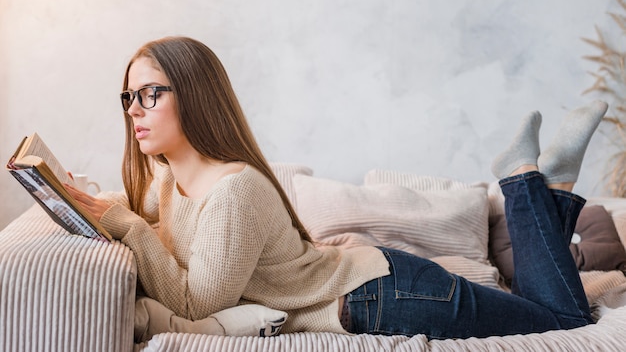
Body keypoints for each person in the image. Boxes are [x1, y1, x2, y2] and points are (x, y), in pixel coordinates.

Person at [66, 36, 606, 340]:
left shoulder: (234, 189)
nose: (133, 109)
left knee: (565, 328)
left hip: (385, 299)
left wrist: (126, 226)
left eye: (150, 93)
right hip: (380, 285)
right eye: (128, 97)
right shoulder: (169, 181)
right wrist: (78, 198)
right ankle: (547, 185)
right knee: (553, 314)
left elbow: (196, 300)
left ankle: (522, 183)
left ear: (194, 95)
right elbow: (147, 223)